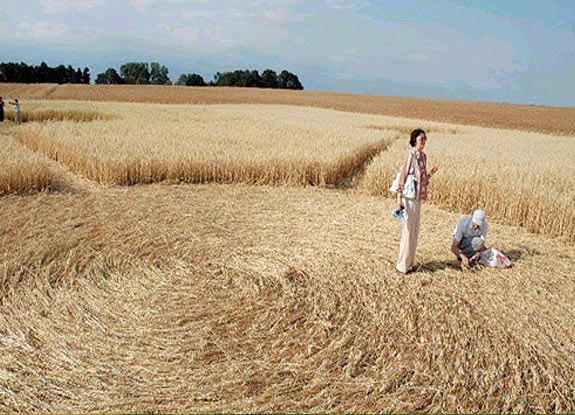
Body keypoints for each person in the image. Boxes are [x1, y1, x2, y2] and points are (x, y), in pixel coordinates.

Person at [396, 129, 438, 274]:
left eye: (425, 139)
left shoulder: (424, 157)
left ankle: (410, 263)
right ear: (414, 141)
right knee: (408, 230)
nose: (424, 142)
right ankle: (402, 266)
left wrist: (431, 173)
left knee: (414, 231)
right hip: (408, 199)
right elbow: (403, 176)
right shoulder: (411, 155)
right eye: (421, 139)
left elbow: (423, 179)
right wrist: (399, 199)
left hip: (418, 198)